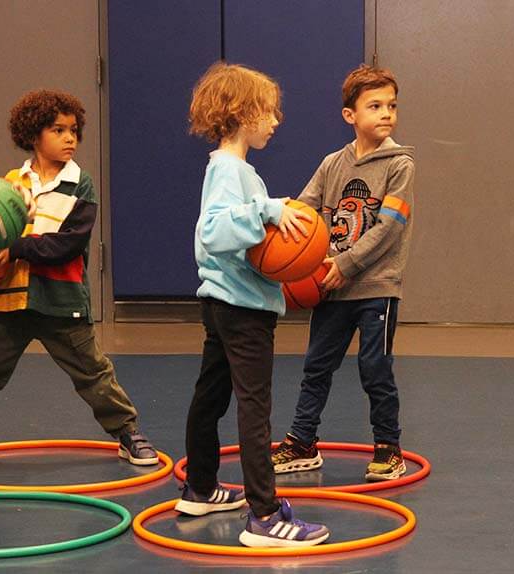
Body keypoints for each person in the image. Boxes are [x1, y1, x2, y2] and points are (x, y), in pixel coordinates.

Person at [0, 89, 158, 468]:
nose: (70, 138)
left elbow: (67, 245)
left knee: (94, 374)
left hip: (63, 304)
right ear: (34, 134)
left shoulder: (81, 185)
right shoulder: (10, 184)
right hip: (8, 302)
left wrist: (15, 248)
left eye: (74, 130)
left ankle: (128, 433)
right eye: (58, 130)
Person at [175, 61, 330, 548]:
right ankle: (263, 515)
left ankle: (199, 487)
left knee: (211, 397)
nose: (276, 120)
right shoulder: (230, 169)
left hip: (226, 303)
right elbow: (213, 232)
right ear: (242, 113)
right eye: (270, 111)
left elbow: (234, 243)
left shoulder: (231, 169)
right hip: (242, 312)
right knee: (254, 407)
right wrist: (268, 208)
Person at [271, 64, 415, 482]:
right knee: (316, 365)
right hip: (330, 287)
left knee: (375, 368)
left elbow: (389, 228)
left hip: (375, 287)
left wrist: (346, 264)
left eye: (392, 105)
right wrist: (286, 249)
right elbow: (304, 208)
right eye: (375, 106)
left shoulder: (400, 165)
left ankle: (389, 449)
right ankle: (302, 442)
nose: (386, 113)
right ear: (350, 115)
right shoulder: (332, 164)